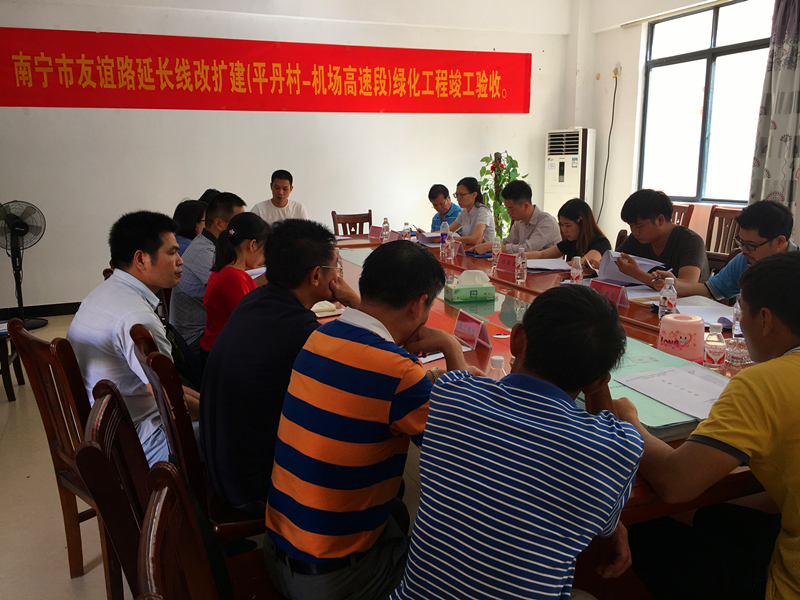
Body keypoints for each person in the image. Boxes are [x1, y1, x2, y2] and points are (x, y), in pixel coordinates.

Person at [389, 285, 644, 600]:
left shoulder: (450, 395)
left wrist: (449, 345)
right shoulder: (616, 449)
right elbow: (605, 520)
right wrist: (616, 400)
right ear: (598, 381)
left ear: (517, 339)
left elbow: (462, 380)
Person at [263, 241, 471, 600]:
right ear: (419, 304)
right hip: (332, 579)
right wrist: (451, 346)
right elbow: (464, 448)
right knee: (463, 564)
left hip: (279, 548)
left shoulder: (319, 337)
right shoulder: (399, 374)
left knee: (397, 511)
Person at [618, 252, 800, 600]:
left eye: (741, 312)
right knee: (715, 518)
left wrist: (629, 420)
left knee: (645, 529)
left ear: (765, 319)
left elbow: (676, 483)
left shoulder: (765, 383)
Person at [201, 219, 360, 514]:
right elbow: (356, 384)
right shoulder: (300, 331)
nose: (339, 273)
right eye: (336, 266)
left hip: (224, 464)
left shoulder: (256, 299)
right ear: (316, 275)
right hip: (254, 485)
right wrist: (357, 303)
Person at [67, 211, 200, 466]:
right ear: (141, 259)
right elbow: (170, 402)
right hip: (136, 444)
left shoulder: (102, 293)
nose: (180, 260)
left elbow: (167, 389)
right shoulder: (137, 320)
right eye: (172, 252)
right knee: (237, 432)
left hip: (103, 430)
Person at [652, 200, 796, 297]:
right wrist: (675, 284)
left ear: (779, 241)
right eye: (741, 242)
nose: (744, 250)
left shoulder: (795, 267)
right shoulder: (744, 260)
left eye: (751, 245)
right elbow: (710, 290)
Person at [170, 192, 246, 353]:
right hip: (194, 339)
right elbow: (232, 290)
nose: (242, 229)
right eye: (237, 223)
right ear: (219, 223)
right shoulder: (204, 252)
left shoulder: (211, 244)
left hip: (205, 329)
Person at [199, 212, 269, 355]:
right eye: (263, 251)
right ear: (252, 245)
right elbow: (251, 324)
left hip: (218, 349)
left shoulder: (223, 271)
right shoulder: (234, 278)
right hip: (225, 354)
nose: (263, 258)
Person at [615, 189, 709, 288]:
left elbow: (687, 284)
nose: (635, 232)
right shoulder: (637, 239)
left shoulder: (691, 241)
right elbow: (613, 261)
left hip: (684, 298)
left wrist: (637, 274)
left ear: (660, 220)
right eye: (631, 226)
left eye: (640, 226)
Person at [473, 180, 561, 255]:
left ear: (525, 206)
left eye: (511, 209)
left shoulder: (546, 222)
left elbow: (527, 249)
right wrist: (489, 244)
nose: (508, 212)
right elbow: (507, 242)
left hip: (546, 269)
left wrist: (492, 247)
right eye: (507, 208)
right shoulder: (519, 221)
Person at [446, 176, 495, 245]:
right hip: (469, 249)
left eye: (461, 195)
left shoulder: (483, 211)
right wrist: (431, 236)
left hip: (485, 251)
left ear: (474, 195)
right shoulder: (464, 212)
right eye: (457, 195)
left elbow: (476, 238)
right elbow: (448, 231)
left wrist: (450, 239)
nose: (458, 198)